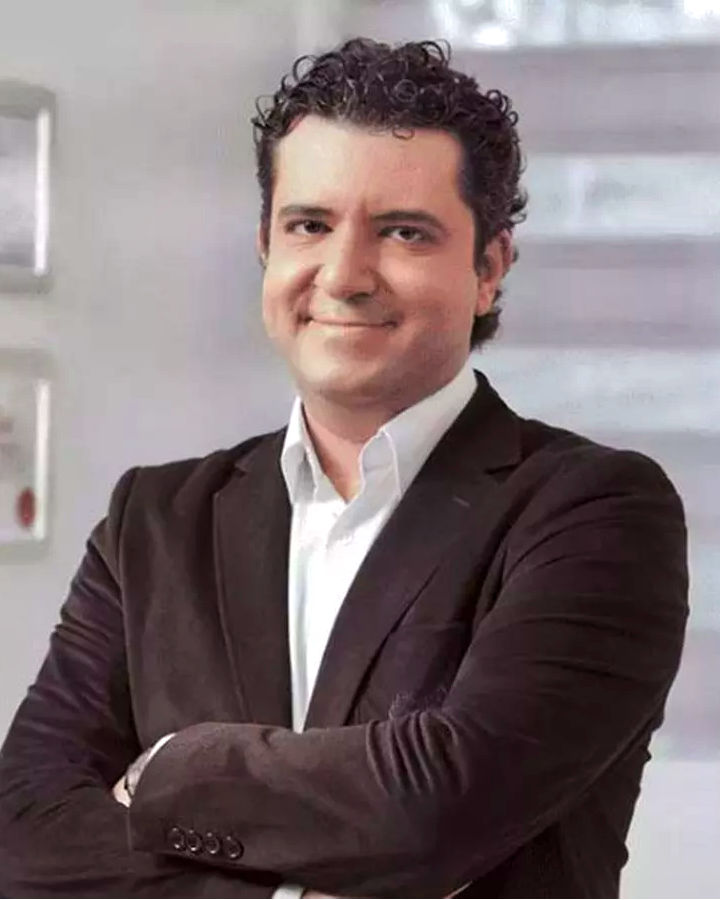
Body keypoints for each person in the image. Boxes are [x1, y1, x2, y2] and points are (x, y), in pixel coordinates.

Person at [0, 38, 688, 899]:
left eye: (403, 232)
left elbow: (440, 809)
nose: (346, 274)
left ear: (489, 268)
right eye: (310, 226)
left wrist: (175, 768)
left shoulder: (596, 512)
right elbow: (24, 830)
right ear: (266, 245)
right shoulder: (156, 518)